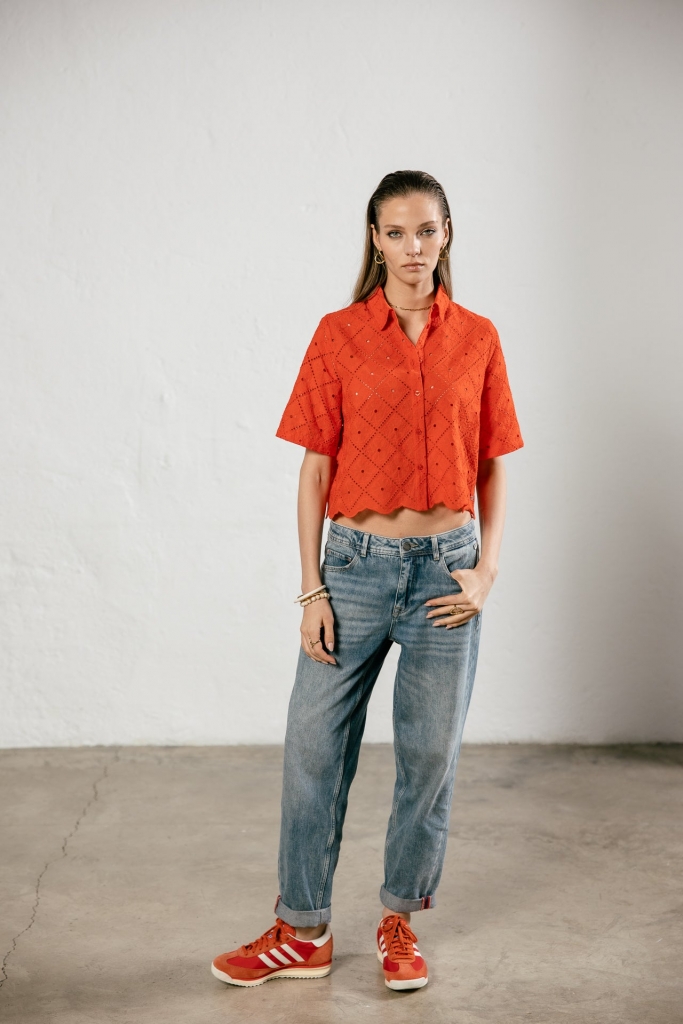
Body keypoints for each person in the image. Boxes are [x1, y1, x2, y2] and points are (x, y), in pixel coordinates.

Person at [211, 170, 524, 991]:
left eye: (426, 230)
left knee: (428, 758)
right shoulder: (339, 334)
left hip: (445, 575)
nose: (413, 247)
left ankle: (398, 920)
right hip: (352, 569)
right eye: (396, 232)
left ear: (446, 235)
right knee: (312, 751)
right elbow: (314, 470)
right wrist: (311, 588)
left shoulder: (478, 337)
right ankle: (301, 930)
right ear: (375, 241)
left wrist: (486, 572)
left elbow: (492, 463)